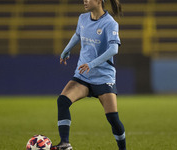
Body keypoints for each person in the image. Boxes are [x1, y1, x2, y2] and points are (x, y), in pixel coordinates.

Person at [51, 0, 126, 150]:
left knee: (113, 118)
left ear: (99, 1)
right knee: (63, 101)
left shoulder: (110, 23)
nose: (84, 1)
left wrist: (91, 64)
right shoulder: (82, 18)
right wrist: (66, 50)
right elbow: (78, 35)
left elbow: (113, 50)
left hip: (103, 77)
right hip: (83, 76)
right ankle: (65, 143)